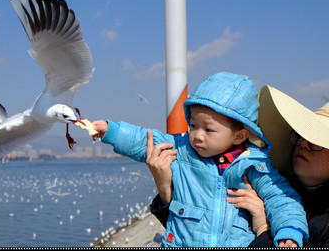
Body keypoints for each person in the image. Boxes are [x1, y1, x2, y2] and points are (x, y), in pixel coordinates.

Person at [92, 72, 308, 247]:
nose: (197, 135)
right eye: (193, 125)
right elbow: (146, 140)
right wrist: (112, 132)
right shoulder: (183, 149)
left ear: (239, 136)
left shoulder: (255, 165)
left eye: (209, 129)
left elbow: (281, 198)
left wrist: (289, 231)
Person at [227, 85, 329, 247]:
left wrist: (262, 228)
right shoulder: (266, 185)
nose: (302, 144)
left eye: (316, 141)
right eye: (301, 136)